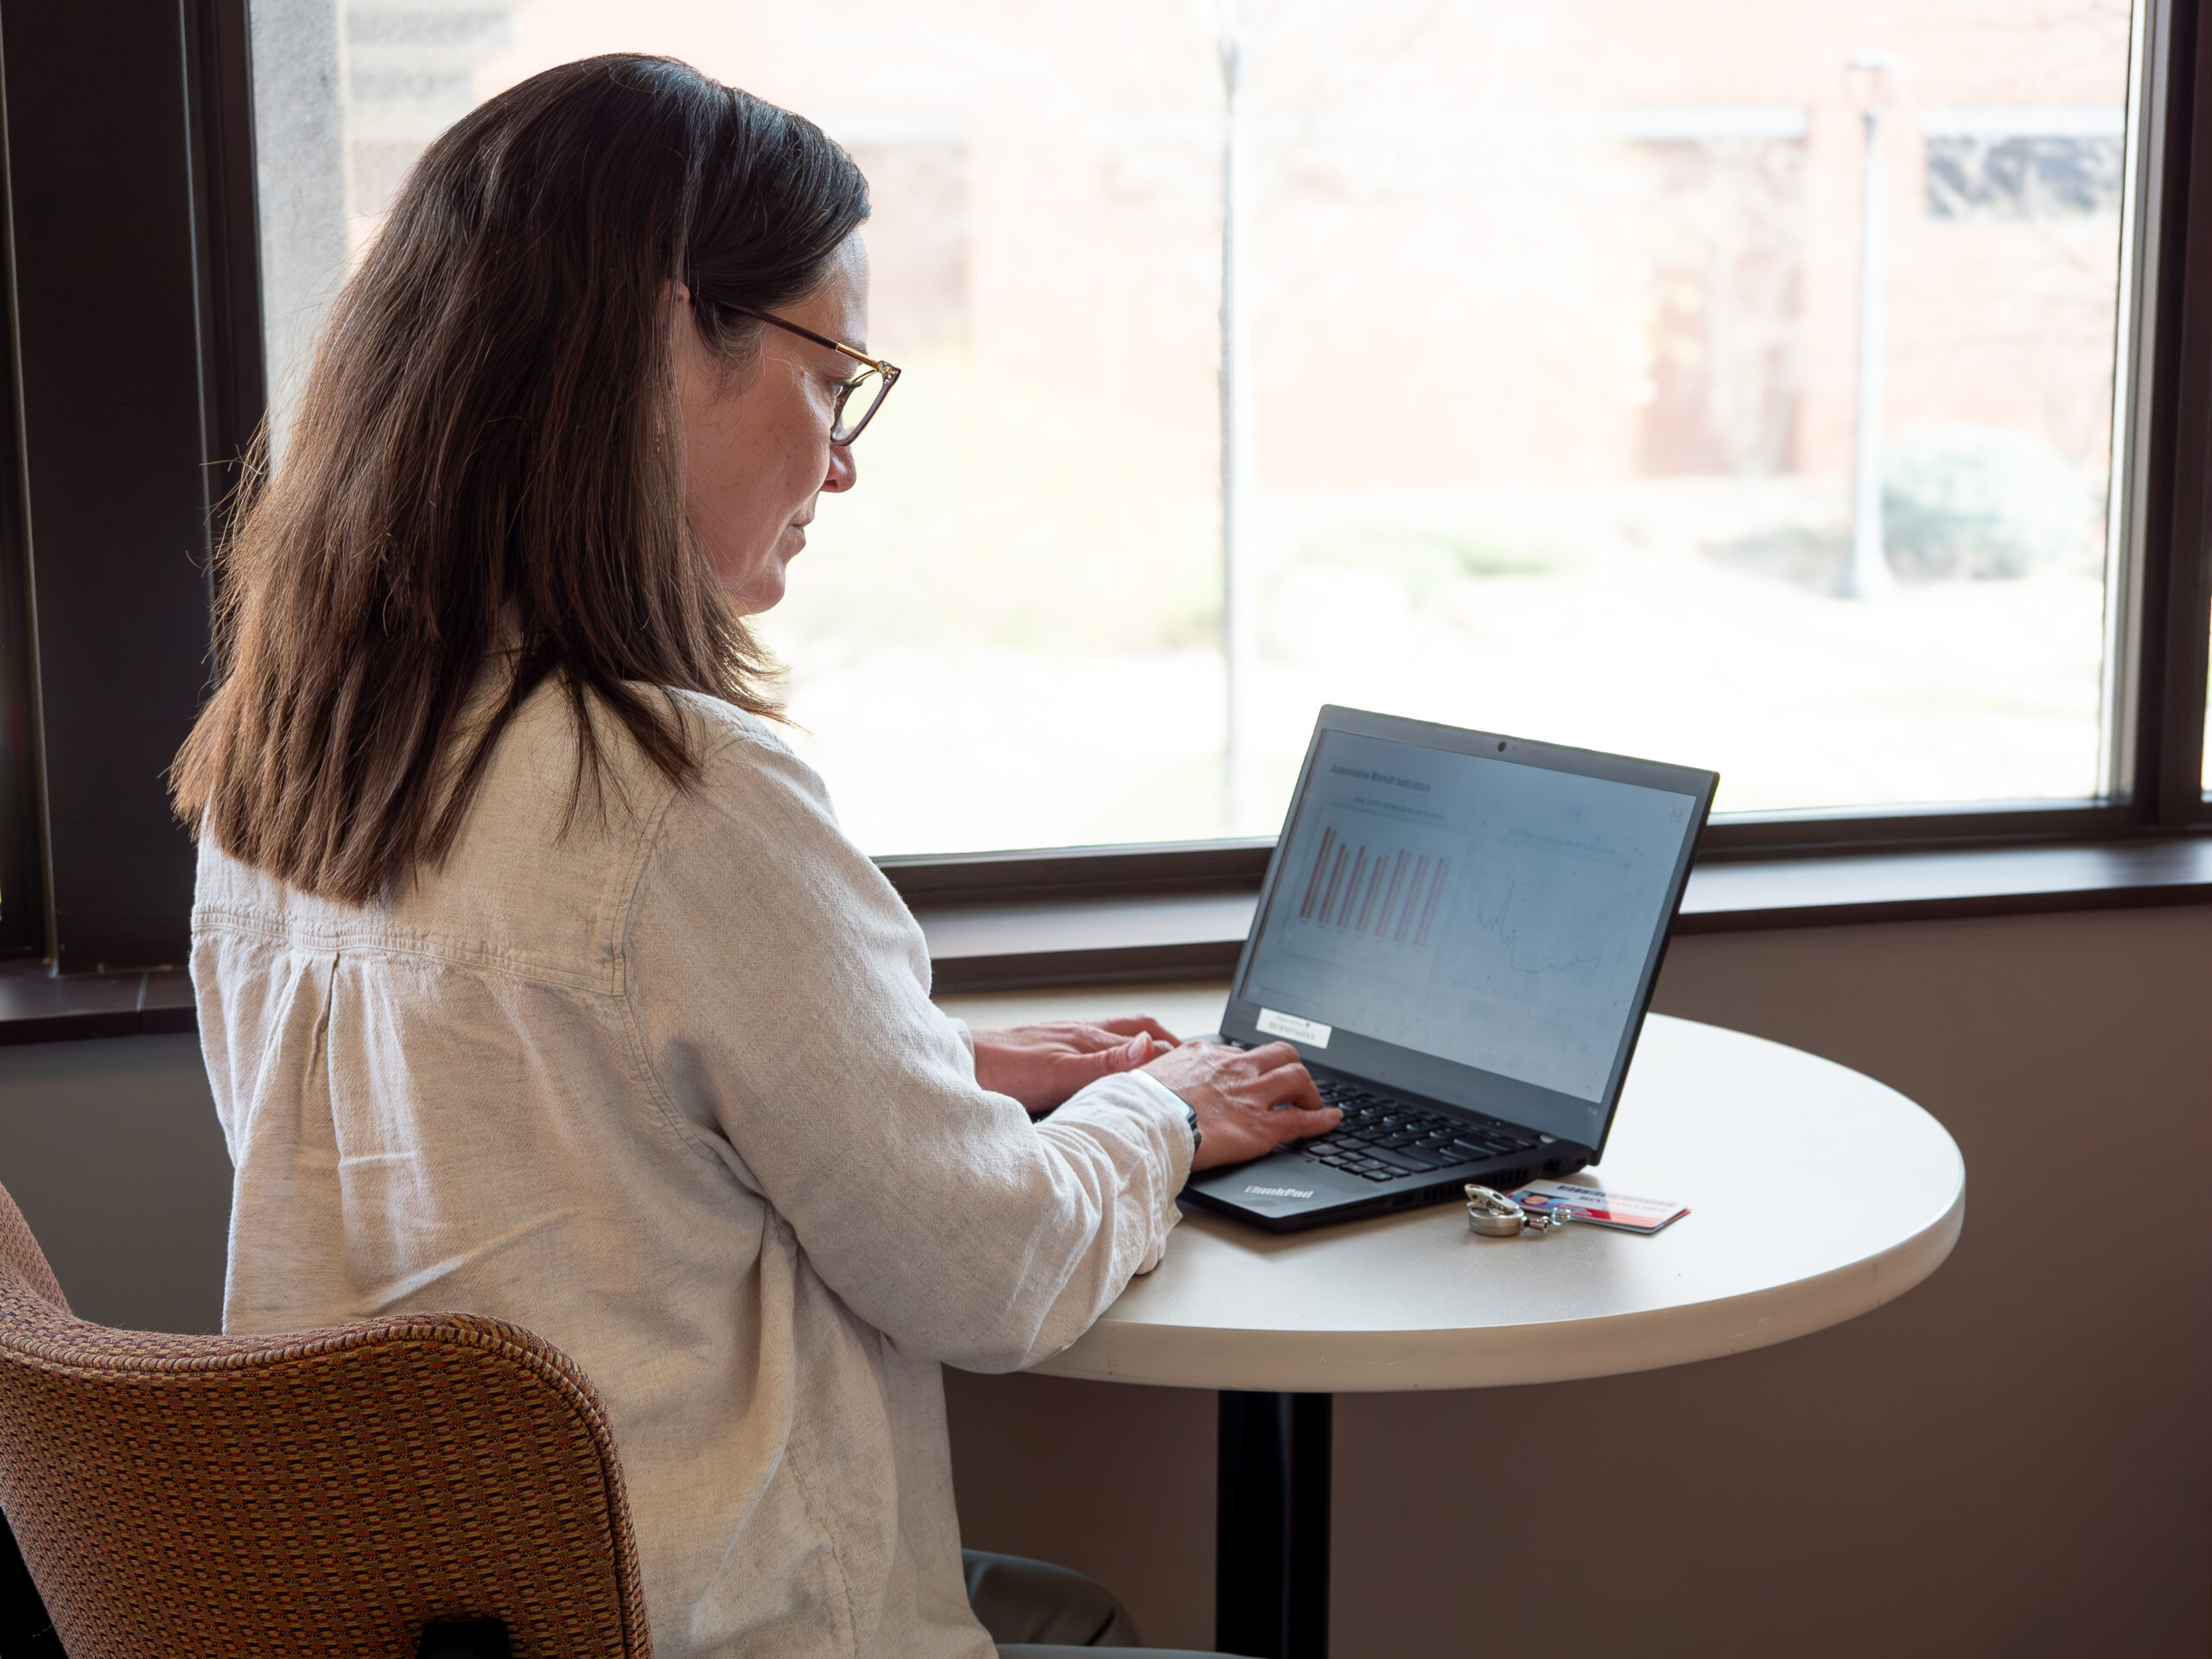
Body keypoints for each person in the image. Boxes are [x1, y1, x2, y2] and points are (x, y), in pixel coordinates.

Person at [173, 54, 1337, 1659]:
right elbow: (991, 1277)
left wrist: (929, 1072)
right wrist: (1163, 1107)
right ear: (666, 336)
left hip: (448, 1617)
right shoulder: (683, 797)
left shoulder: (281, 758)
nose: (845, 461)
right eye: (830, 373)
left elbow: (556, 1117)